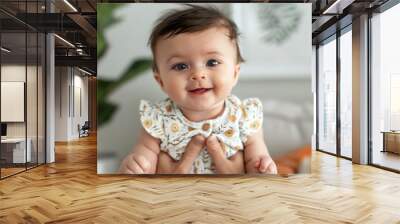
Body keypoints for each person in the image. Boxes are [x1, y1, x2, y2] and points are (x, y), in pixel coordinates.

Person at [119, 4, 277, 174]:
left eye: (212, 62)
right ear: (161, 81)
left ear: (235, 73)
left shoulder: (244, 116)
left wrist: (261, 167)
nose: (198, 74)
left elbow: (256, 159)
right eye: (180, 66)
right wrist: (136, 166)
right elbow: (145, 158)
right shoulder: (157, 118)